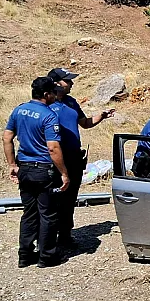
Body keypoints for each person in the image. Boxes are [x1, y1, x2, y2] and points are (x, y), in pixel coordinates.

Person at [3, 77, 70, 268]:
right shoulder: (48, 115)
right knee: (48, 214)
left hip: (24, 167)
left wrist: (11, 165)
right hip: (43, 170)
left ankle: (24, 255)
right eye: (53, 93)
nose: (56, 96)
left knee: (29, 213)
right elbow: (53, 148)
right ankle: (46, 257)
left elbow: (7, 138)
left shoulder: (19, 110)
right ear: (46, 94)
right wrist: (64, 173)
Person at [47, 68, 114, 247]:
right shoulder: (45, 103)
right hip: (53, 160)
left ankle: (66, 235)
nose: (72, 84)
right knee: (52, 200)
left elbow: (84, 123)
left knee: (69, 199)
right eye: (67, 81)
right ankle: (48, 239)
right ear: (56, 83)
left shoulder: (71, 102)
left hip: (74, 158)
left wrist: (102, 115)